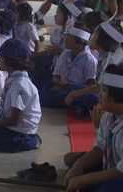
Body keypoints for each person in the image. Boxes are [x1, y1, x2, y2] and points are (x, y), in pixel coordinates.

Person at [64, 64, 123, 192]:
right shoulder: (109, 115)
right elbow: (100, 148)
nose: (99, 95)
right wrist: (79, 165)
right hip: (112, 165)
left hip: (120, 173)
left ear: (115, 97)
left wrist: (84, 179)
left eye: (104, 91)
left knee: (106, 188)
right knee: (73, 162)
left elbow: (120, 171)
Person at [0, 39, 42, 153]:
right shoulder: (15, 79)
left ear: (11, 60)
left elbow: (13, 120)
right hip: (14, 129)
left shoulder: (19, 84)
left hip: (18, 134)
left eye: (1, 57)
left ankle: (31, 141)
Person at [43, 23, 99, 116]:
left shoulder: (89, 60)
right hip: (60, 87)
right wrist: (59, 83)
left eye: (69, 38)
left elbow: (90, 85)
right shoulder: (65, 53)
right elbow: (55, 76)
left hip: (76, 91)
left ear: (78, 43)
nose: (65, 40)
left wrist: (69, 86)